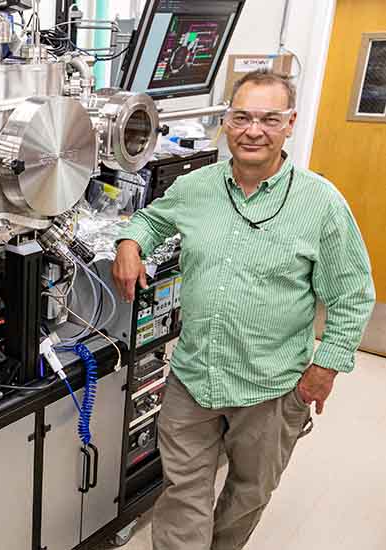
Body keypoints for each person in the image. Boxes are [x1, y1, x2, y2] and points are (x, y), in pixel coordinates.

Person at [112, 70, 375, 550]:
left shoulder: (321, 204)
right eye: (242, 117)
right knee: (184, 491)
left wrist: (326, 368)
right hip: (194, 375)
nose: (254, 130)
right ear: (226, 122)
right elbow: (152, 218)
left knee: (248, 494)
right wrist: (130, 242)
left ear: (290, 123)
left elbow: (352, 295)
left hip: (270, 385)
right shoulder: (196, 187)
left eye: (269, 119)